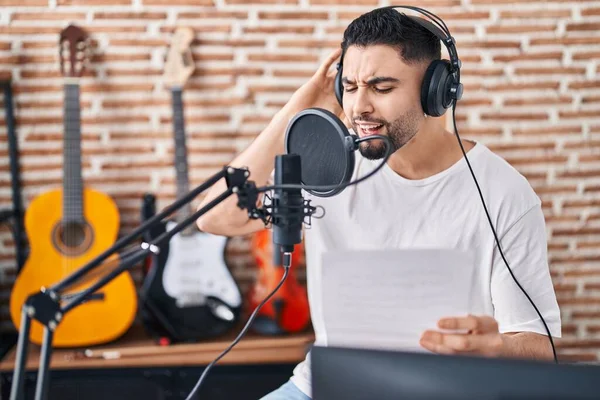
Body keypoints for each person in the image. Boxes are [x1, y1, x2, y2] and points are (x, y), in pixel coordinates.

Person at [196, 7, 561, 400]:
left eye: (381, 88)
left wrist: (496, 350)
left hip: (442, 390)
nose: (359, 108)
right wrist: (301, 108)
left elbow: (541, 350)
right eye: (349, 87)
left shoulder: (502, 192)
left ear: (435, 91)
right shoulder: (327, 169)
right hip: (323, 387)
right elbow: (217, 217)